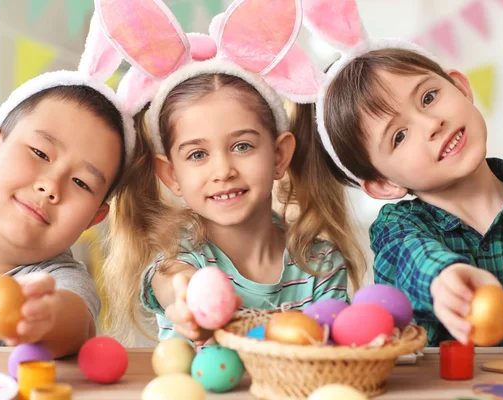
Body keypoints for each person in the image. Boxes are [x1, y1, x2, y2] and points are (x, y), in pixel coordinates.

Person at [99, 0, 366, 343]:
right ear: (171, 175)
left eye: (242, 146)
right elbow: (172, 283)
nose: (223, 170)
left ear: (279, 155)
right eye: (197, 154)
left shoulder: (320, 263)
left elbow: (328, 359)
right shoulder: (178, 257)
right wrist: (187, 298)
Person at [307, 1, 503, 346]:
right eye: (399, 136)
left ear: (461, 88)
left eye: (428, 98)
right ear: (384, 184)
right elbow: (412, 254)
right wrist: (444, 276)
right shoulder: (398, 228)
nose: (431, 124)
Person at [0, 21, 137, 356]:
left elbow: (73, 323)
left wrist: (43, 317)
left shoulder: (58, 282)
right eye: (40, 153)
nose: (50, 187)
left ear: (93, 218)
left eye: (81, 183)